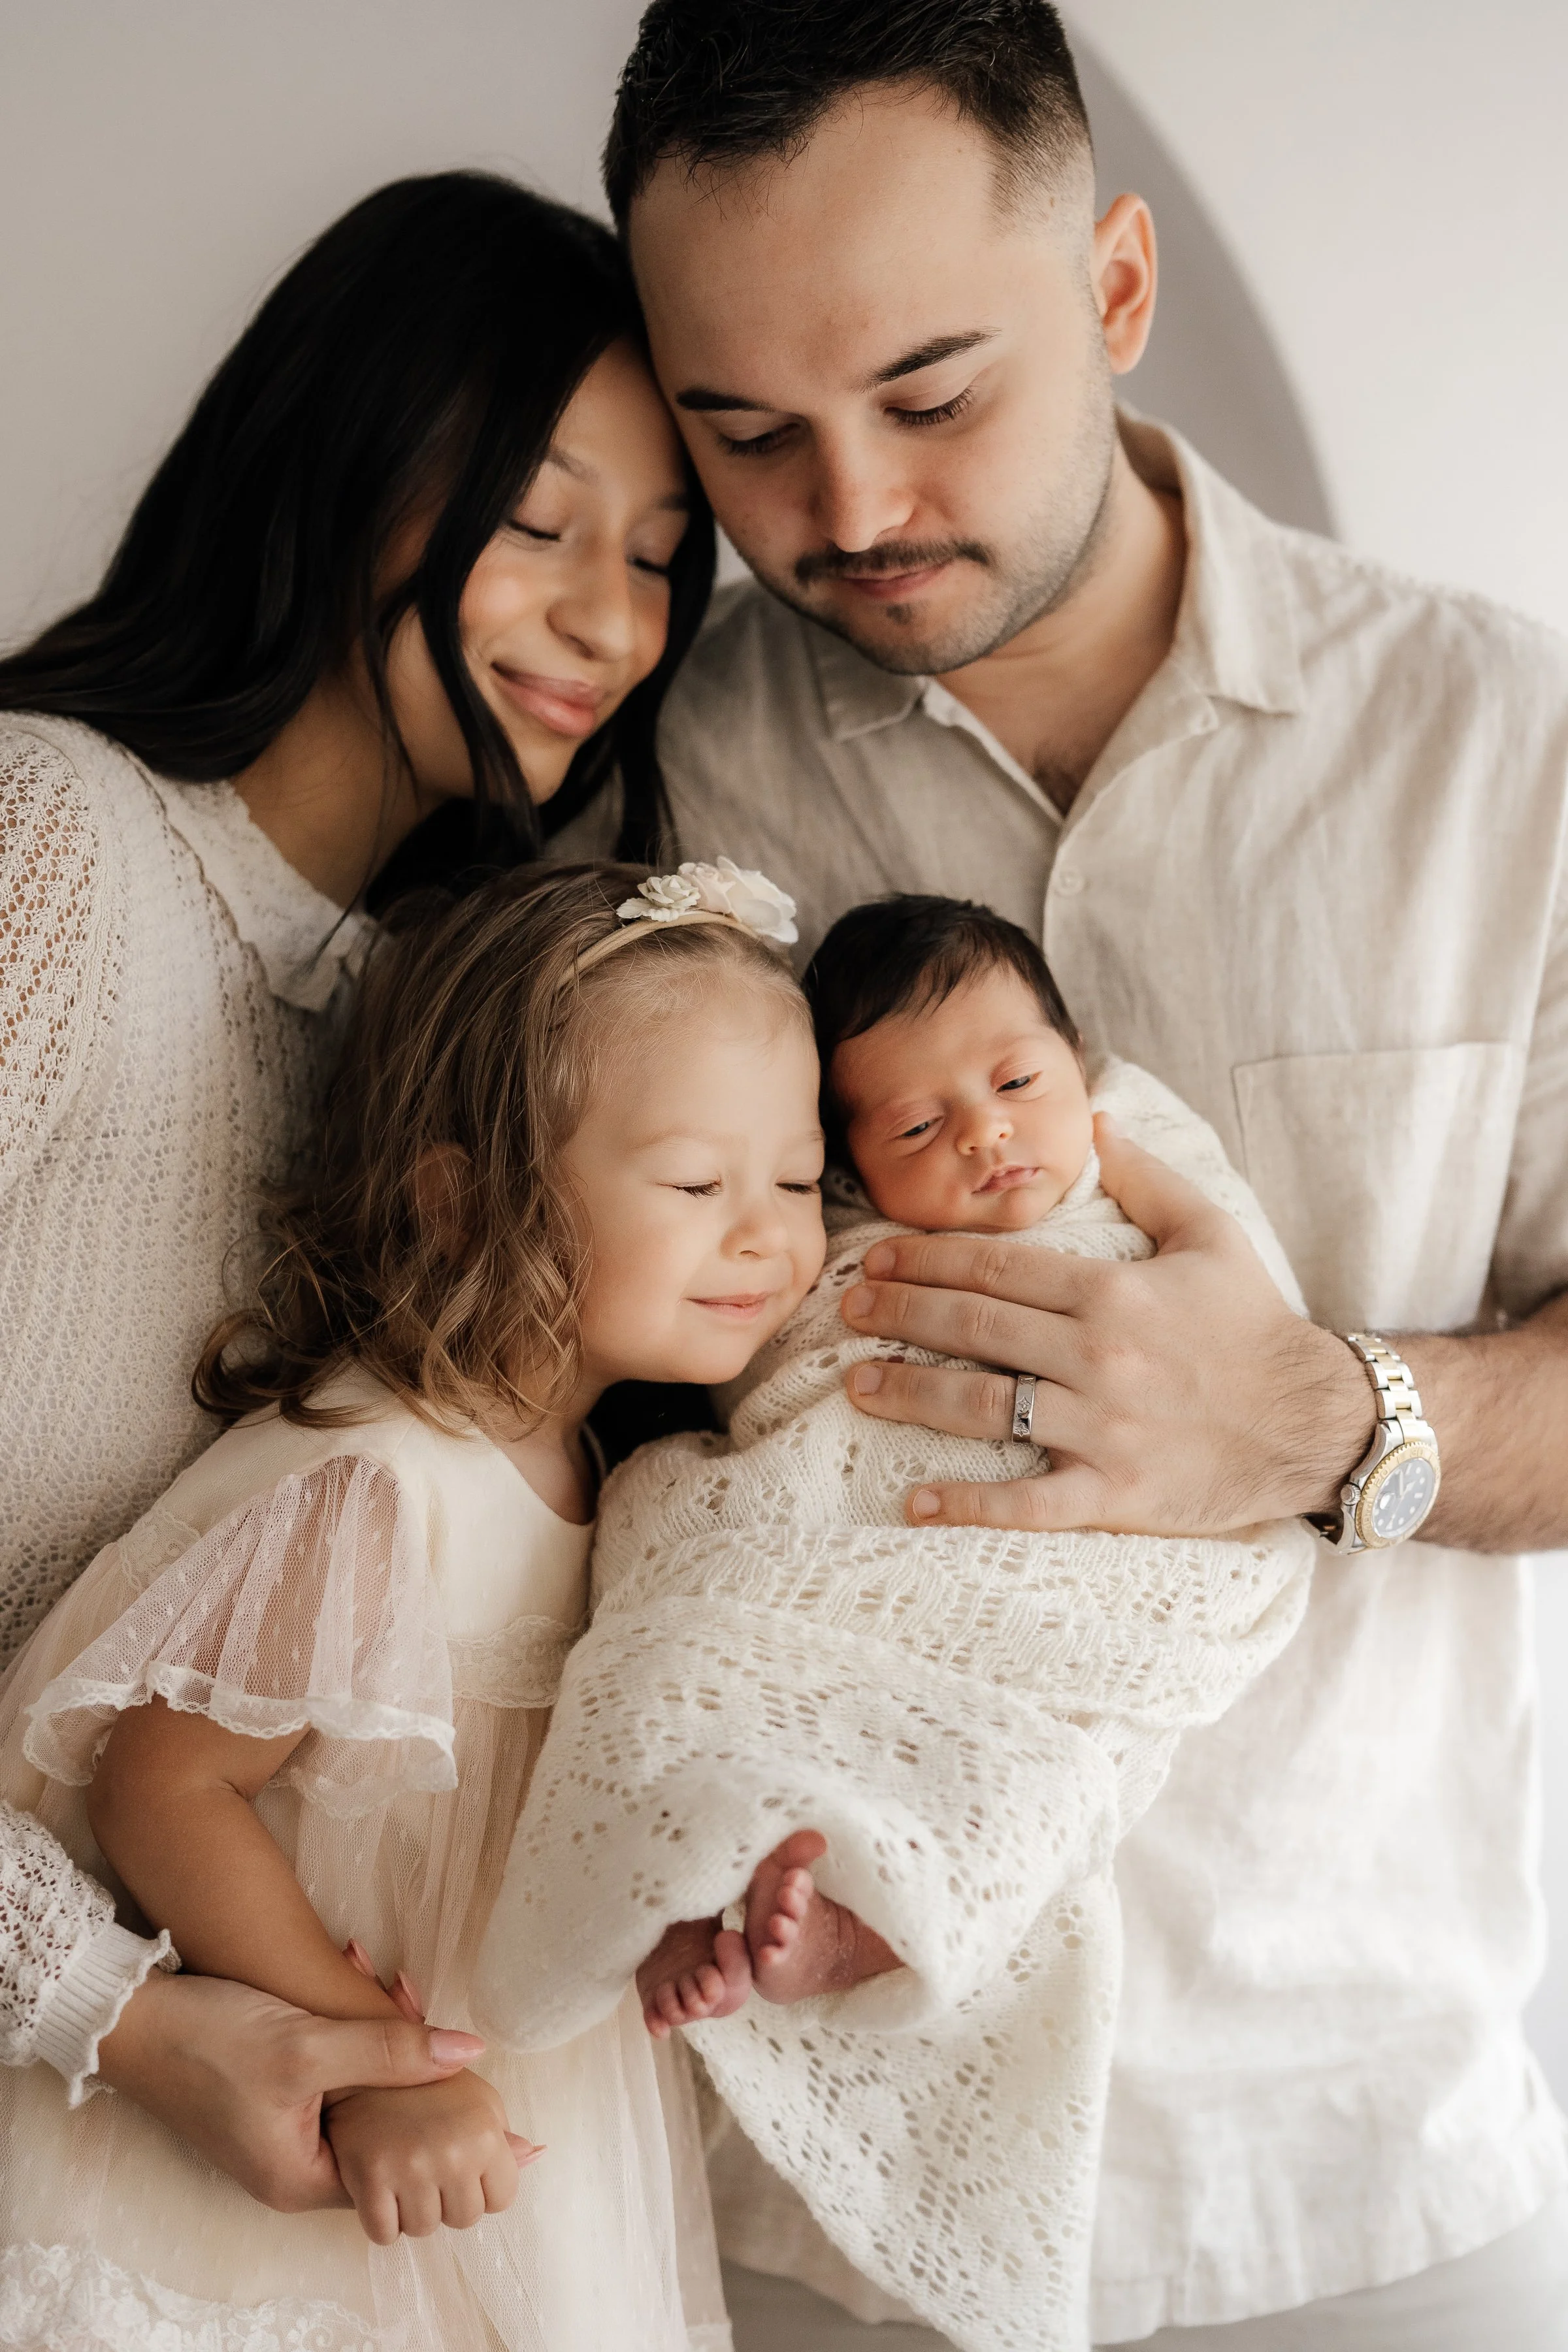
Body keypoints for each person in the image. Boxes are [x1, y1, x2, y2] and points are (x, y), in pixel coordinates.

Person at [544, 3, 1568, 2345]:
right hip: (810, 2181)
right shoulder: (634, 778)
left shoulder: (1501, 745)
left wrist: (1334, 1422)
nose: (854, 514)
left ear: (1114, 293)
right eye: (749, 435)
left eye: (930, 398)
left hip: (1362, 2171)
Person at [0, 171, 712, 2218]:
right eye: (541, 521)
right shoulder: (56, 851)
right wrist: (108, 2015)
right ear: (341, 466)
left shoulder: (440, 1039)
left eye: (664, 560)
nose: (614, 622)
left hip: (220, 2154)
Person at [476, 890, 1315, 2352]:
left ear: (1077, 1064)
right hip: (874, 1529)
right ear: (849, 1168)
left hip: (1100, 1586)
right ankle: (686, 1876)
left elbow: (1267, 1344)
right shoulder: (836, 1253)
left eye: (1013, 1085)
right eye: (917, 1132)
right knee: (673, 1572)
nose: (988, 1138)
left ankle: (868, 1934)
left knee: (1044, 1775)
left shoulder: (1139, 1173)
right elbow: (784, 1384)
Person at [0, 857, 817, 2347]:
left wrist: (658, 1916)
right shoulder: (382, 1480)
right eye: (701, 1185)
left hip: (496, 2116)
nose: (766, 1233)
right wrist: (380, 2065)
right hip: (301, 2129)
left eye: (799, 1179)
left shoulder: (616, 1485)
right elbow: (163, 1789)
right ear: (467, 1202)